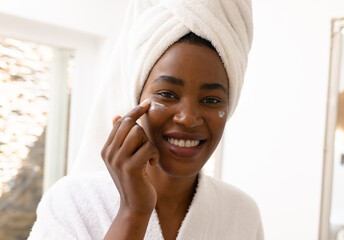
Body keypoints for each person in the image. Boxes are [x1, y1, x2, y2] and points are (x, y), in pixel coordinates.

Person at [28, 0, 263, 239]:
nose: (188, 118)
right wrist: (133, 212)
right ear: (135, 102)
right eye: (167, 94)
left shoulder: (241, 214)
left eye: (211, 100)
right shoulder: (71, 204)